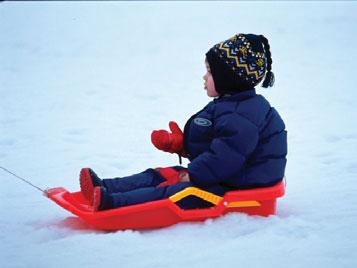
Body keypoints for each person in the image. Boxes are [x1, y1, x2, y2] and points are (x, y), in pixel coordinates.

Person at [79, 33, 287, 211]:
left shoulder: (242, 114)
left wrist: (194, 175)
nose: (204, 77)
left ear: (229, 78)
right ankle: (105, 187)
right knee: (161, 175)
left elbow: (226, 157)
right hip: (225, 176)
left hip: (239, 188)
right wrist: (181, 145)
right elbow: (218, 145)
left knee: (177, 193)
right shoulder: (232, 104)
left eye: (210, 72)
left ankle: (112, 203)